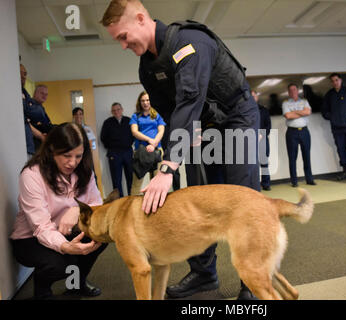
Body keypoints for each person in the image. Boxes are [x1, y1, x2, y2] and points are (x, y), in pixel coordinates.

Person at [101, 0, 261, 300]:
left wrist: (167, 168)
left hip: (238, 117)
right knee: (199, 200)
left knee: (243, 199)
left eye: (123, 36)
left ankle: (251, 284)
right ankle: (204, 273)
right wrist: (183, 142)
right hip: (202, 125)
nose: (122, 45)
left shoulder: (190, 42)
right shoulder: (147, 68)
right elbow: (173, 113)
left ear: (140, 19)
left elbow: (189, 101)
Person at [9, 123, 107, 300]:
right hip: (30, 239)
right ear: (52, 149)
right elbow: (41, 227)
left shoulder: (84, 170)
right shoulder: (32, 175)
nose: (73, 162)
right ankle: (42, 289)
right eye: (66, 155)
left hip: (66, 231)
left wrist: (76, 210)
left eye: (78, 156)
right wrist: (66, 247)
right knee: (63, 262)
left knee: (101, 235)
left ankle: (76, 285)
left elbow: (97, 205)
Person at [129, 91, 166, 195]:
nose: (145, 103)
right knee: (137, 184)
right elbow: (134, 132)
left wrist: (154, 144)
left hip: (157, 151)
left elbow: (161, 130)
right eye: (143, 100)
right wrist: (149, 140)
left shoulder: (157, 115)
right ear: (139, 102)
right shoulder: (135, 116)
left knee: (157, 183)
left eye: (147, 100)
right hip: (141, 152)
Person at [282, 83, 315, 187]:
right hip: (292, 132)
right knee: (292, 158)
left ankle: (309, 179)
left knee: (307, 156)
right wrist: (301, 112)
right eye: (290, 90)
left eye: (294, 90)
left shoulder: (304, 101)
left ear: (298, 91)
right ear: (288, 92)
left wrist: (294, 112)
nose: (293, 92)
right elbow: (288, 115)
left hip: (305, 131)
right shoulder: (285, 103)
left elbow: (308, 112)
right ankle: (294, 181)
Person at [100, 102, 134, 197]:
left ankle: (131, 198)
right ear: (112, 112)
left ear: (122, 110)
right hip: (114, 154)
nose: (116, 112)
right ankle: (120, 201)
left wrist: (128, 144)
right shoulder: (107, 122)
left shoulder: (129, 121)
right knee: (116, 180)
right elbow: (103, 138)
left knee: (130, 178)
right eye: (114, 110)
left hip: (128, 152)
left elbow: (134, 135)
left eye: (118, 109)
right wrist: (112, 147)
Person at [252, 90, 271, 190]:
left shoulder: (264, 110)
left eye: (254, 96)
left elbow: (268, 125)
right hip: (250, 140)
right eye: (251, 96)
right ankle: (255, 185)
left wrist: (261, 135)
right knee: (252, 164)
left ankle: (266, 184)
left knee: (264, 162)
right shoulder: (246, 111)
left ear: (257, 97)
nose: (253, 98)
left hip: (263, 139)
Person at [27, 85, 53, 151]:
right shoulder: (29, 105)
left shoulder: (40, 107)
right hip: (34, 142)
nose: (44, 96)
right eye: (42, 93)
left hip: (42, 140)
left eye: (46, 94)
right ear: (35, 93)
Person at [20, 63, 35, 157]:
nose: (23, 76)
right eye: (20, 73)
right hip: (19, 146)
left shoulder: (26, 94)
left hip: (29, 146)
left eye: (25, 74)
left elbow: (31, 115)